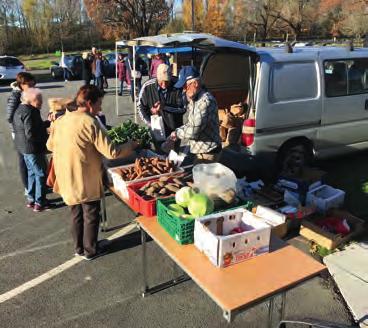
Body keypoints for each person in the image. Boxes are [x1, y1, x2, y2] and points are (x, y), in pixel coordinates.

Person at [46, 85, 138, 260]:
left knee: (76, 213)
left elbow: (49, 146)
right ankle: (91, 250)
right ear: (89, 103)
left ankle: (79, 248)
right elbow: (112, 152)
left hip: (66, 176)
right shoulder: (89, 122)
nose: (100, 108)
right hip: (84, 177)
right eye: (99, 104)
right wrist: (131, 145)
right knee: (90, 213)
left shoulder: (61, 120)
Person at [169, 66, 222, 164]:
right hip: (199, 151)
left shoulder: (205, 101)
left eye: (185, 86)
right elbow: (191, 123)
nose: (184, 90)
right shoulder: (195, 99)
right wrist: (175, 132)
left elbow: (194, 130)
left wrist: (177, 134)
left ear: (196, 83)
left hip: (208, 153)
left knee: (203, 179)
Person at [12, 88, 49, 212]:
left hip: (23, 147)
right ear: (31, 99)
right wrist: (46, 139)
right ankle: (40, 202)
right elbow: (31, 133)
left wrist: (47, 123)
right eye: (39, 100)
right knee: (41, 174)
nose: (41, 103)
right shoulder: (31, 112)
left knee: (32, 173)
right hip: (33, 148)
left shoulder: (19, 109)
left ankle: (31, 199)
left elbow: (31, 127)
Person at [137, 63, 184, 149]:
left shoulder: (178, 85)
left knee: (174, 156)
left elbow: (183, 108)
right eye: (161, 81)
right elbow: (140, 107)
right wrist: (149, 123)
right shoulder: (147, 86)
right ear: (157, 77)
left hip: (174, 129)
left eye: (167, 81)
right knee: (159, 155)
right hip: (157, 129)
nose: (164, 84)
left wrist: (165, 107)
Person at [6, 72, 36, 195]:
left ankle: (34, 184)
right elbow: (9, 117)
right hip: (19, 132)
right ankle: (28, 188)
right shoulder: (15, 96)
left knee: (31, 159)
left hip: (27, 130)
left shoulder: (26, 92)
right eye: (30, 85)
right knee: (23, 160)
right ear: (22, 84)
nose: (33, 87)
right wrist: (23, 122)